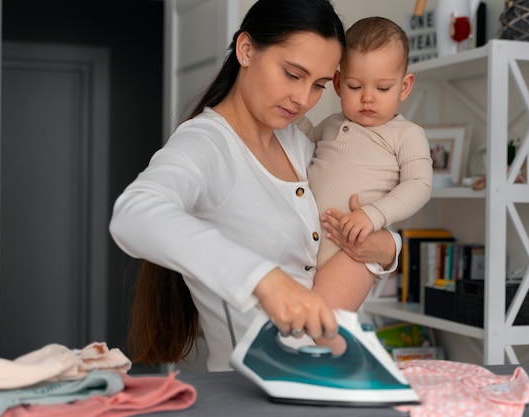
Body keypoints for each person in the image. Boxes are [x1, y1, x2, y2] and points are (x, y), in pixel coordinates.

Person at [109, 0, 401, 372]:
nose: (303, 99)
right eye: (293, 74)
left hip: (317, 378)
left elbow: (350, 223)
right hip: (248, 392)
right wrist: (262, 278)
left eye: (319, 85)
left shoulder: (298, 142)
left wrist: (389, 246)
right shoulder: (206, 145)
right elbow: (133, 215)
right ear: (246, 50)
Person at [302, 17, 433, 337]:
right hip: (304, 249)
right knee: (295, 324)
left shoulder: (407, 135)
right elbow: (298, 144)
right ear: (336, 83)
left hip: (352, 254)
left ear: (404, 87)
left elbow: (420, 185)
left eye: (383, 87)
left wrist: (373, 215)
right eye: (355, 86)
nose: (368, 97)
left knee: (316, 332)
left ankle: (328, 374)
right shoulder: (330, 125)